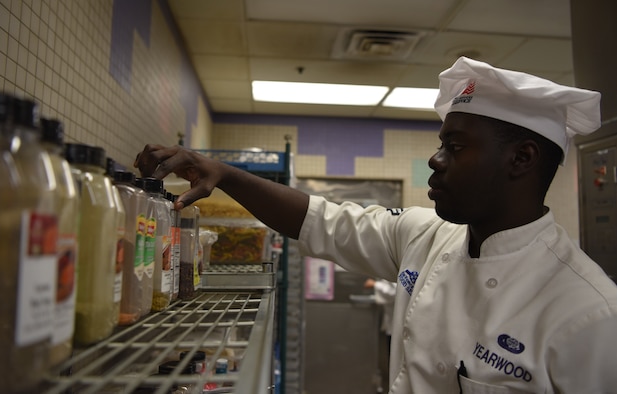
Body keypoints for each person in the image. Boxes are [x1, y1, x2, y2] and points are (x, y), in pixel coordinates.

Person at [135, 57, 617, 393]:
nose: (436, 159)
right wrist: (226, 175)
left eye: (456, 146)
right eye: (441, 143)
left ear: (521, 159)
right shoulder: (425, 235)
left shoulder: (589, 315)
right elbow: (320, 220)